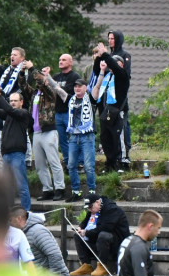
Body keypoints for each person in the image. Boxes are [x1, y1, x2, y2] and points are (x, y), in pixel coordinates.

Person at [43, 75, 97, 201]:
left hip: (87, 136)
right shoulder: (70, 99)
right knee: (71, 165)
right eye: (75, 86)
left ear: (85, 88)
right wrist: (48, 76)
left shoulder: (90, 98)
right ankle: (76, 192)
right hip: (73, 137)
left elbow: (98, 86)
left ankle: (92, 192)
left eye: (80, 86)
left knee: (89, 166)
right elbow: (57, 88)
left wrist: (101, 71)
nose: (77, 88)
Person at [0, 79, 33, 211]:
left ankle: (27, 212)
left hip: (17, 155)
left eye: (15, 100)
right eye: (11, 100)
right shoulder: (9, 115)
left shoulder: (23, 113)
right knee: (7, 187)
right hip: (6, 155)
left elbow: (9, 110)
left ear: (21, 102)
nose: (12, 103)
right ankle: (9, 211)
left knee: (21, 186)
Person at [90, 43, 130, 173]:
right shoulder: (107, 76)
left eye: (116, 63)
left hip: (117, 111)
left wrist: (106, 55)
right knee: (105, 138)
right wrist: (99, 57)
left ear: (121, 65)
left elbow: (116, 68)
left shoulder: (123, 76)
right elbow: (96, 70)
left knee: (117, 137)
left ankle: (120, 162)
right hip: (105, 111)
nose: (113, 65)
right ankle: (110, 163)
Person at [70, 193, 130, 276]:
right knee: (78, 236)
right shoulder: (94, 209)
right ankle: (86, 265)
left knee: (103, 235)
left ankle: (102, 265)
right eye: (88, 208)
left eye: (90, 207)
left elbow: (104, 228)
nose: (89, 210)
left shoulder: (111, 209)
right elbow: (85, 221)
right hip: (100, 244)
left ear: (98, 202)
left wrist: (86, 232)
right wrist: (80, 228)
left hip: (116, 245)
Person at [31, 67, 67, 200]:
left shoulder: (50, 92)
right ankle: (47, 189)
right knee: (40, 164)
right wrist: (22, 73)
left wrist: (33, 69)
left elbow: (42, 82)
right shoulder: (35, 94)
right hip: (36, 132)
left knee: (53, 161)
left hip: (49, 131)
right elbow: (23, 87)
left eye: (42, 80)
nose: (39, 82)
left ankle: (60, 188)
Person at [11, 207, 70, 276]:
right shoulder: (21, 233)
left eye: (10, 220)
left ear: (19, 219)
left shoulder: (37, 231)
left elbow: (54, 255)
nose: (9, 224)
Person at [108, 30, 134, 170]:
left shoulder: (125, 55)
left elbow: (125, 76)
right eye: (109, 38)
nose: (110, 41)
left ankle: (124, 158)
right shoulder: (109, 56)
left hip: (120, 98)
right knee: (110, 130)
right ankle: (112, 158)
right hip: (108, 98)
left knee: (122, 128)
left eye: (112, 38)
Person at [51, 54, 80, 166]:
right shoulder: (56, 77)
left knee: (74, 139)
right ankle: (68, 162)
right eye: (59, 60)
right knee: (62, 140)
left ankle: (77, 162)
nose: (60, 61)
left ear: (70, 62)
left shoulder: (74, 77)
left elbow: (68, 92)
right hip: (58, 113)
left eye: (63, 60)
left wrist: (56, 87)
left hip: (70, 112)